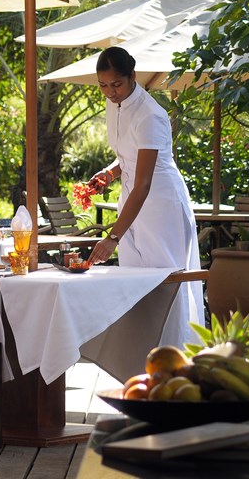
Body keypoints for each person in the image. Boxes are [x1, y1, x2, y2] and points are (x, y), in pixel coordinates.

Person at [86, 46, 204, 349]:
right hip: (132, 197)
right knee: (134, 283)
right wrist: (109, 173)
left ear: (132, 77)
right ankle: (143, 361)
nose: (110, 92)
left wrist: (113, 236)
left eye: (116, 84)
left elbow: (145, 182)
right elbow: (128, 155)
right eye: (103, 85)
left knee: (167, 284)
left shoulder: (150, 114)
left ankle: (178, 361)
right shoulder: (116, 105)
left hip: (160, 204)